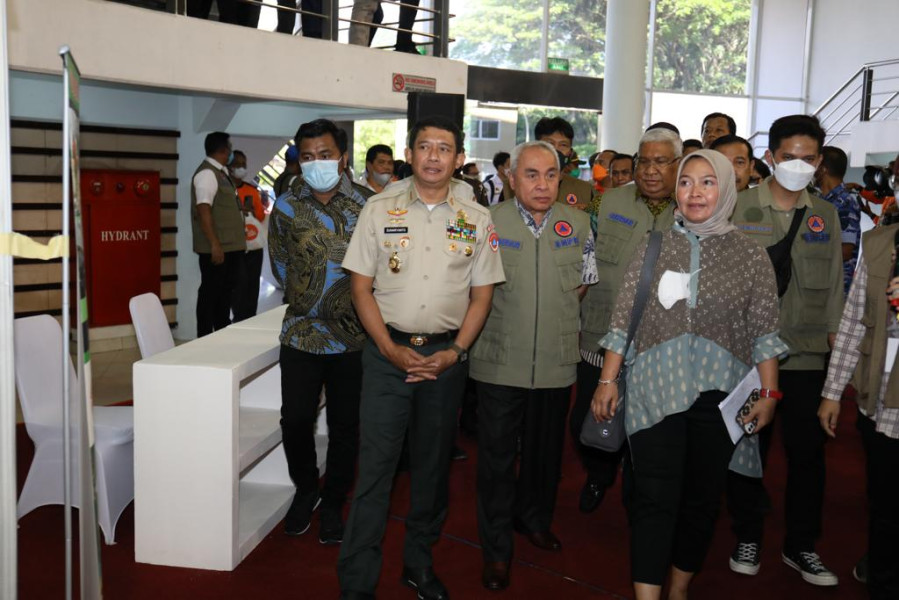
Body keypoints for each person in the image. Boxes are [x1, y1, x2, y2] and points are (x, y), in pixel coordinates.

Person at [591, 149, 787, 600]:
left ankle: (678, 589)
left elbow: (765, 333)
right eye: (686, 182)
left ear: (727, 188)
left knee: (701, 501)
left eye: (706, 182)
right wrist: (607, 382)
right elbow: (623, 320)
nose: (694, 192)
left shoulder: (751, 255)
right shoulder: (654, 245)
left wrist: (771, 393)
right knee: (653, 499)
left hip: (721, 399)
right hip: (655, 391)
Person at [337, 116, 504, 600]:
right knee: (376, 470)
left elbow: (482, 296)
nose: (434, 156)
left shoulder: (476, 216)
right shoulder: (378, 207)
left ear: (458, 156)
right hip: (387, 354)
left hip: (446, 361)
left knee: (432, 469)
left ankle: (419, 563)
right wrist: (389, 350)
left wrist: (455, 352)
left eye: (444, 148)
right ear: (410, 153)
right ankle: (356, 582)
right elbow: (360, 287)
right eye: (425, 147)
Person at [470, 141, 596, 591]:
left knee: (545, 456)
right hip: (500, 359)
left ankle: (534, 520)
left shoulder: (579, 222)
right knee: (497, 462)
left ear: (561, 178)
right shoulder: (486, 222)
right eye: (531, 175)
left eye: (550, 175)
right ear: (510, 177)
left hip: (557, 361)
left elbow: (582, 283)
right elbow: (472, 288)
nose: (542, 185)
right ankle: (497, 549)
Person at [726, 114, 843, 586]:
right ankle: (747, 534)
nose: (799, 165)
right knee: (747, 449)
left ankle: (801, 545)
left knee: (808, 455)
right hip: (747, 356)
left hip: (807, 354)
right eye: (789, 157)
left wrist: (837, 368)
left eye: (808, 158)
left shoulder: (826, 216)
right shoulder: (738, 208)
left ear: (819, 162)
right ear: (770, 156)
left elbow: (835, 287)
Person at [267, 119, 367, 545]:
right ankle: (306, 488)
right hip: (303, 332)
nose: (317, 163)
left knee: (346, 426)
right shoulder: (288, 206)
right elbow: (281, 265)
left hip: (354, 336)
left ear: (342, 157)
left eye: (325, 155)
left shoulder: (369, 204)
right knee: (296, 419)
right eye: (307, 157)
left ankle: (333, 502)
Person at [571, 127, 681, 514]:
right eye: (644, 161)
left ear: (678, 165)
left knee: (647, 426)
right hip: (602, 336)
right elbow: (584, 258)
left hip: (660, 343)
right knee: (589, 416)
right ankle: (598, 474)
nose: (650, 170)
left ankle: (639, 491)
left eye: (661, 161)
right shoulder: (606, 201)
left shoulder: (691, 206)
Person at [818, 214, 899, 599]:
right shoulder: (880, 243)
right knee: (884, 504)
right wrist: (833, 392)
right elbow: (853, 322)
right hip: (880, 400)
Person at [191, 131, 246, 337]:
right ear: (224, 150)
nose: (231, 153)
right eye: (230, 148)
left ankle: (220, 332)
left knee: (223, 294)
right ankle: (204, 336)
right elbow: (203, 209)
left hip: (229, 247)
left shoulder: (220, 173)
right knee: (210, 293)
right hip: (218, 249)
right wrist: (214, 244)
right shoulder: (207, 174)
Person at [815, 145, 862, 296]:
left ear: (822, 169)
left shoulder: (845, 202)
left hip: (836, 289)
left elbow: (846, 250)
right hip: (819, 284)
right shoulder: (822, 201)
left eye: (813, 163)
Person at [229, 150, 267, 320]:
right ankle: (238, 319)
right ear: (229, 167)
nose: (241, 168)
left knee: (252, 286)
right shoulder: (225, 190)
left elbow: (260, 216)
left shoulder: (251, 190)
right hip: (235, 246)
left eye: (243, 165)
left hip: (253, 247)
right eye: (237, 164)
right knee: (237, 285)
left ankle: (251, 318)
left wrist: (251, 211)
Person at [534, 116, 596, 210]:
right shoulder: (512, 187)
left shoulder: (585, 190)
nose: (555, 149)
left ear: (570, 153)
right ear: (536, 146)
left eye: (563, 145)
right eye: (550, 143)